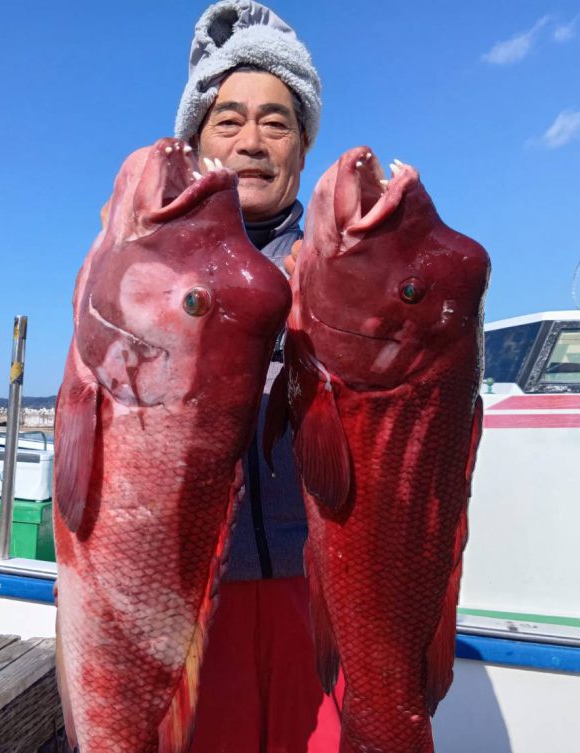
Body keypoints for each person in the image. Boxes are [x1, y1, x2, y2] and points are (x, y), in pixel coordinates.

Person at [173, 3, 340, 751]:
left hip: (325, 595)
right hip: (194, 602)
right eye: (228, 120)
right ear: (197, 141)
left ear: (304, 144)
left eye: (276, 122)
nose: (251, 142)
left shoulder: (347, 266)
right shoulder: (153, 271)